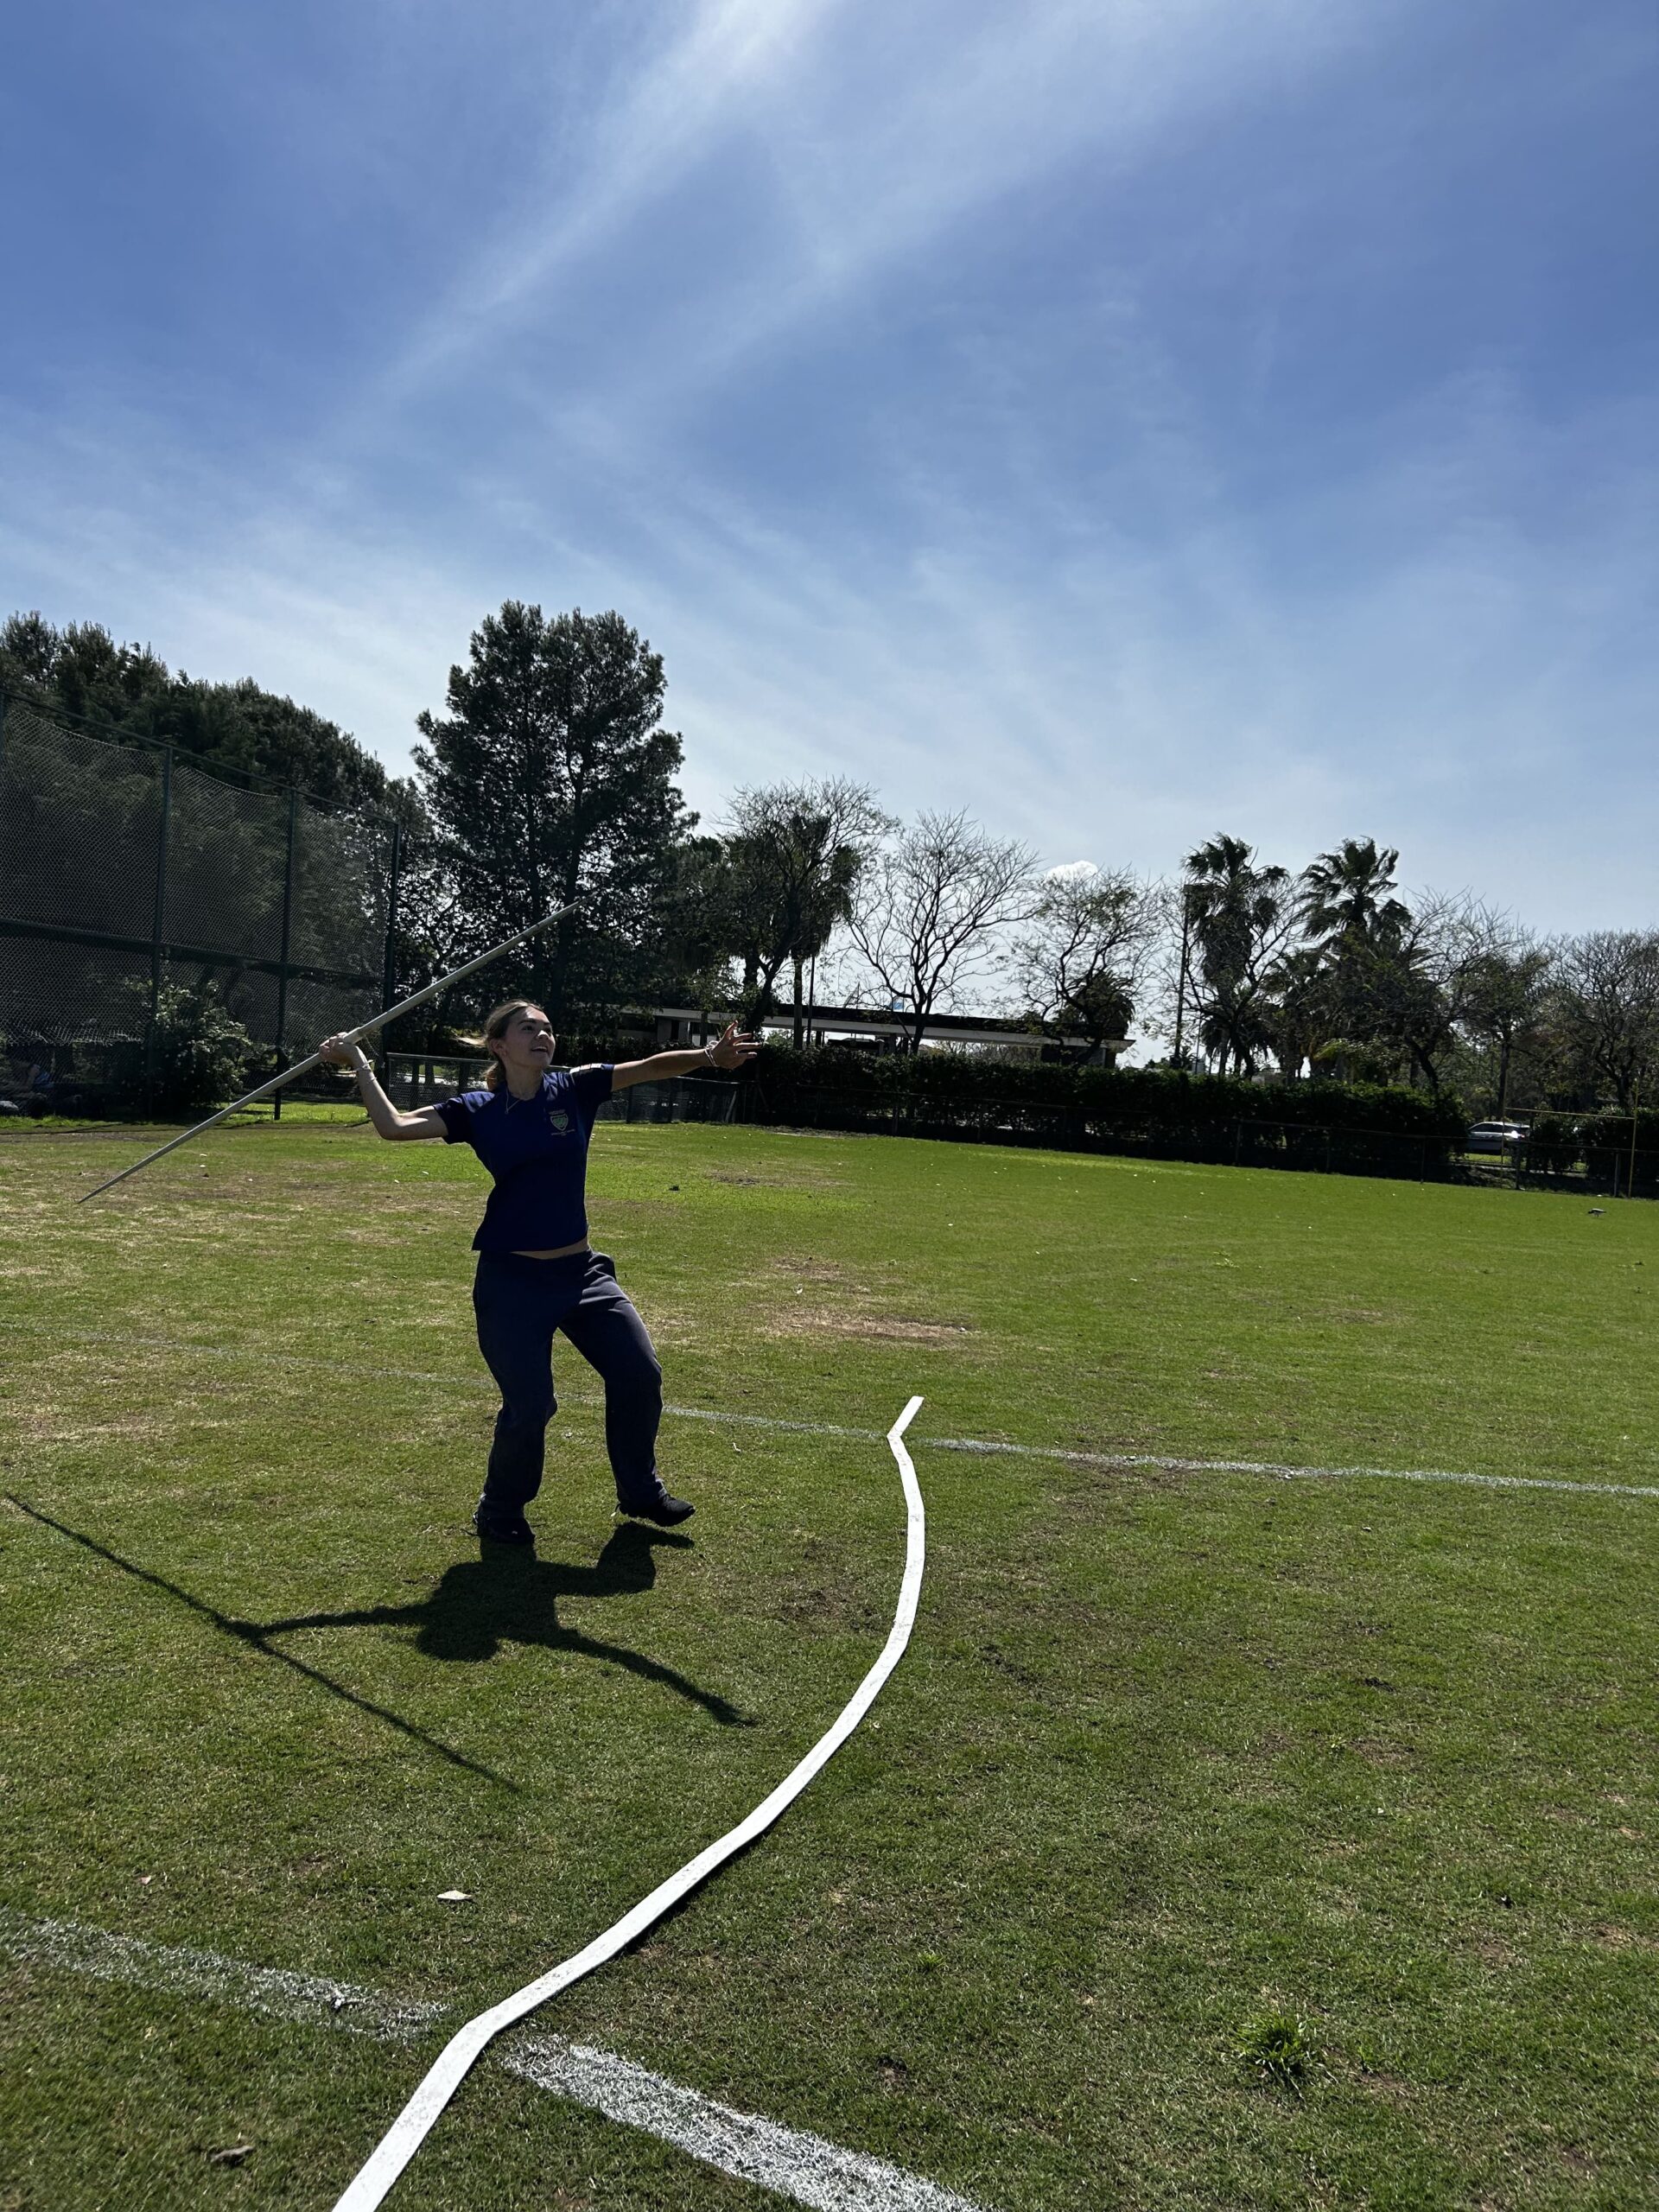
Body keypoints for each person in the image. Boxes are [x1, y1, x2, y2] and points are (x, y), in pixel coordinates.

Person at [318, 1003, 760, 1545]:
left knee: (639, 1373)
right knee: (531, 1405)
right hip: (512, 1283)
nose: (543, 1035)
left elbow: (648, 1066)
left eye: (548, 1028)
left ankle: (640, 1491)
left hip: (583, 1274)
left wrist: (709, 1056)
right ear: (499, 1046)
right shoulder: (476, 1108)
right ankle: (500, 1506)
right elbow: (394, 1126)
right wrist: (358, 1061)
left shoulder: (573, 1089)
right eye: (529, 1028)